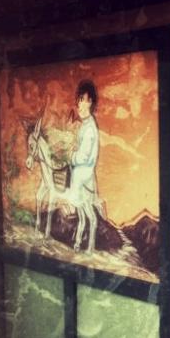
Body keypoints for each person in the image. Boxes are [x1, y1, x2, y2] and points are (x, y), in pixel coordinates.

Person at [67, 79, 100, 252]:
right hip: (83, 172)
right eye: (78, 100)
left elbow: (83, 157)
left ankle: (89, 245)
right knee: (83, 215)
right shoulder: (85, 125)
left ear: (90, 102)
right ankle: (79, 242)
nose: (79, 105)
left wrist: (70, 156)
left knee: (87, 214)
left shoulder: (89, 129)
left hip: (83, 174)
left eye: (83, 100)